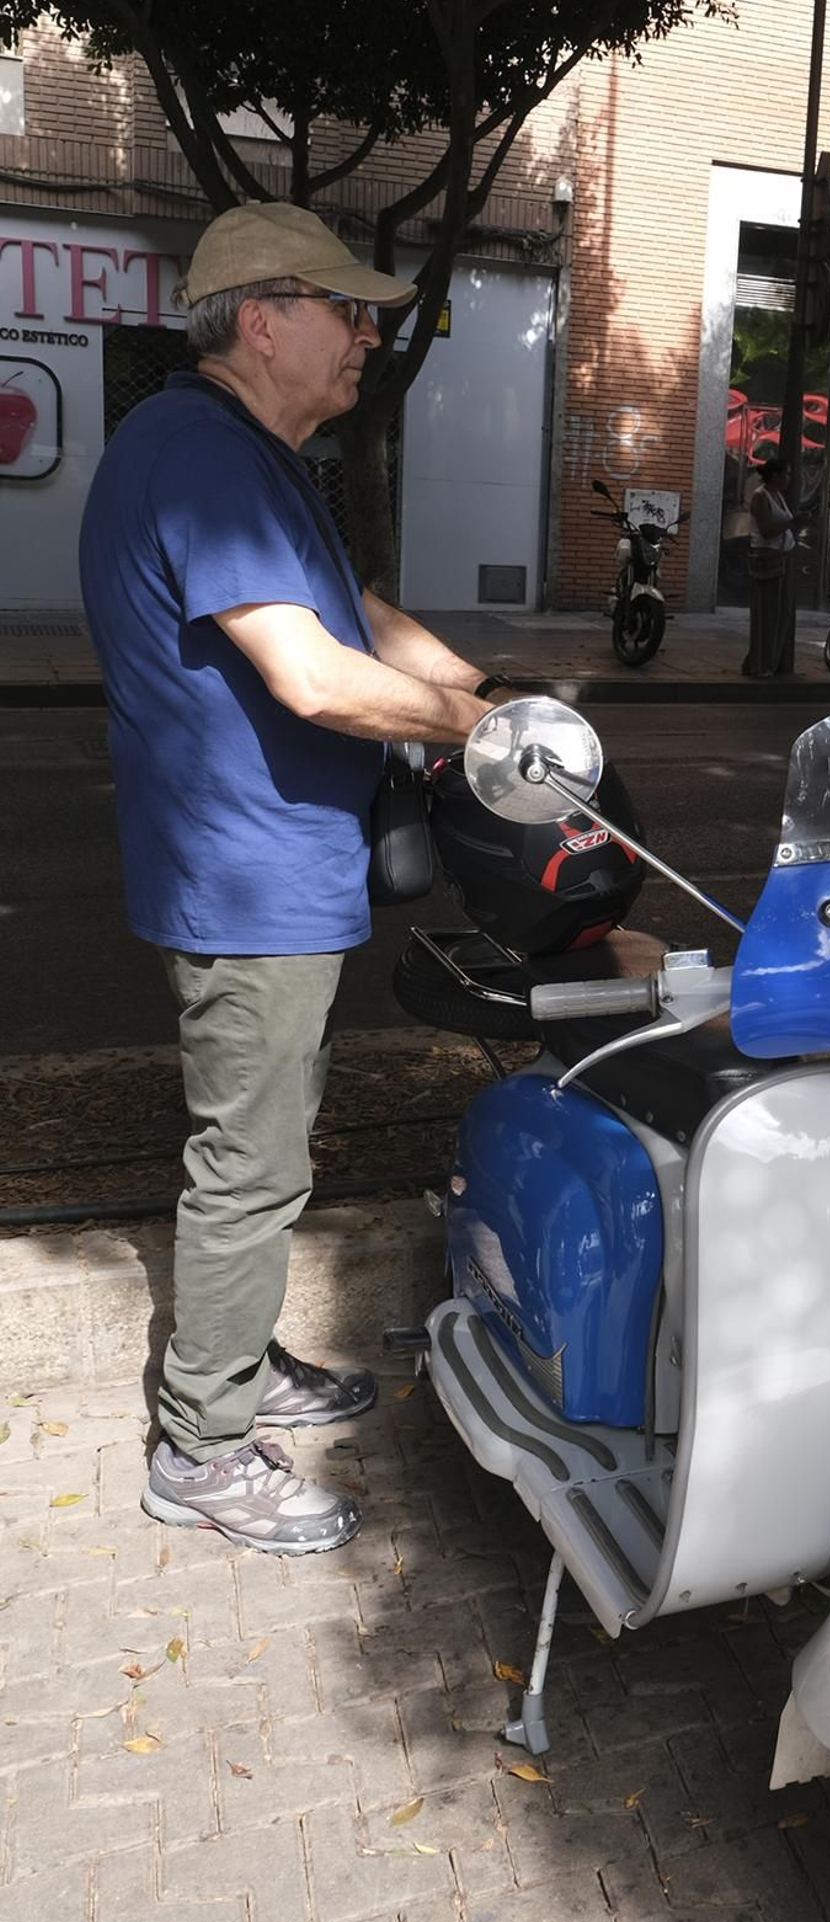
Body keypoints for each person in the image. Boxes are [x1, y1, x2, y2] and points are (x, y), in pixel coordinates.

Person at [79, 201, 508, 1556]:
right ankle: (200, 1446)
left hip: (277, 875)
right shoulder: (194, 457)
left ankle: (237, 1358)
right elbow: (315, 674)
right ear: (260, 321)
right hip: (246, 882)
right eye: (348, 311)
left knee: (265, 1148)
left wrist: (465, 685)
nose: (370, 337)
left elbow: (354, 611)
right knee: (249, 1168)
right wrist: (480, 737)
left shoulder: (259, 463)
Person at [742, 454, 808, 679]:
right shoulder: (761, 497)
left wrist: (794, 525)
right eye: (786, 474)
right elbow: (766, 530)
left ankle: (768, 659)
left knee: (779, 612)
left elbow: (783, 527)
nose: (788, 478)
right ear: (775, 475)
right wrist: (792, 523)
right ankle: (760, 662)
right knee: (766, 613)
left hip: (782, 556)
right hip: (766, 556)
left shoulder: (778, 496)